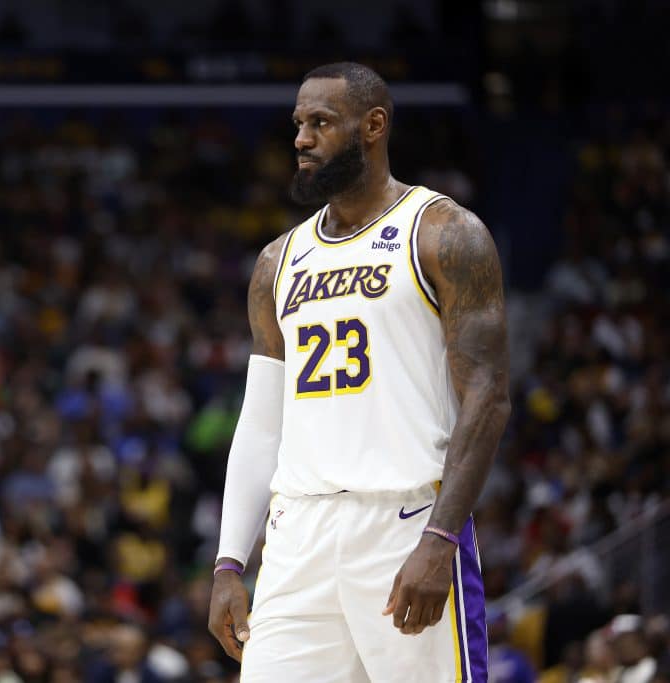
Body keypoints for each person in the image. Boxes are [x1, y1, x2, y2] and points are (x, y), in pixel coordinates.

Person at [207, 62, 510, 681]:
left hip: (405, 521)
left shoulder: (443, 234)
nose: (301, 139)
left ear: (373, 126)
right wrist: (230, 562)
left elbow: (488, 396)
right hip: (298, 534)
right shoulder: (276, 262)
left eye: (321, 122)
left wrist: (441, 539)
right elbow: (262, 423)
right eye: (298, 124)